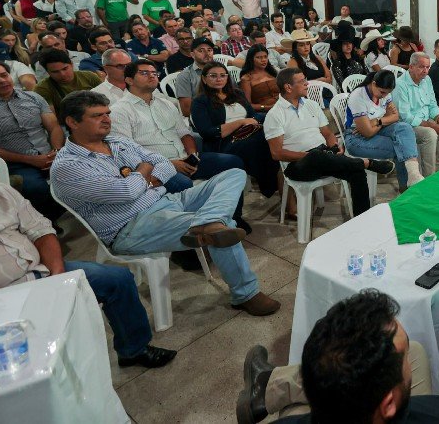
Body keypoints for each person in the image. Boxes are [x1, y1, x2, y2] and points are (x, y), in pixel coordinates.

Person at [50, 90, 280, 316]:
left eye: (107, 113)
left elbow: (164, 163)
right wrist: (144, 171)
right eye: (97, 115)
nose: (107, 119)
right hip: (131, 227)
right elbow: (126, 191)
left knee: (233, 174)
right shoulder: (68, 166)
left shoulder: (117, 141)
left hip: (167, 200)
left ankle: (209, 221)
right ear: (72, 122)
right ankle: (246, 294)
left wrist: (144, 178)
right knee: (225, 226)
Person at [0, 145, 177, 369]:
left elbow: (40, 230)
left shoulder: (2, 193)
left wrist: (56, 273)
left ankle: (134, 350)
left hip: (41, 271)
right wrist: (10, 298)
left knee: (118, 279)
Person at [239, 289, 439, 424]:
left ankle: (268, 386)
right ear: (388, 404)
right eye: (403, 358)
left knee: (411, 349)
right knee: (415, 349)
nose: (407, 360)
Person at [110, 59, 248, 230]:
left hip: (184, 158)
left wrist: (192, 155)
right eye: (144, 73)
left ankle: (232, 217)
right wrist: (170, 164)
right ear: (129, 80)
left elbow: (185, 133)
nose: (152, 76)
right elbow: (127, 153)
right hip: (156, 167)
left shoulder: (166, 104)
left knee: (233, 162)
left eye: (154, 73)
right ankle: (192, 231)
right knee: (182, 183)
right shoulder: (120, 111)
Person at [264, 69, 392, 216]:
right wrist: (307, 155)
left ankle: (362, 218)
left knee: (356, 172)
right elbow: (277, 153)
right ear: (288, 87)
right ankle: (366, 162)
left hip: (323, 155)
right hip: (298, 164)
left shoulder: (311, 105)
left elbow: (328, 133)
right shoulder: (275, 114)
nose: (307, 84)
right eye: (302, 81)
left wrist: (334, 146)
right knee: (316, 155)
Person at [0, 61, 64, 222]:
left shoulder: (33, 97)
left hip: (51, 154)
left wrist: (56, 151)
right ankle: (46, 223)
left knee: (80, 173)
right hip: (16, 162)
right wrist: (30, 159)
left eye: (4, 75)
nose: (2, 81)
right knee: (35, 188)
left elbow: (54, 127)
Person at [191, 62, 280, 199]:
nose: (219, 79)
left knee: (274, 134)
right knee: (258, 142)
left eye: (222, 75)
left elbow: (253, 115)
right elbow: (207, 132)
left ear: (227, 77)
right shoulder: (200, 102)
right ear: (204, 79)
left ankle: (282, 176)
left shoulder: (237, 93)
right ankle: (271, 184)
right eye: (213, 76)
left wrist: (254, 121)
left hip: (249, 131)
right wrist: (240, 122)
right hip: (223, 142)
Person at [342, 70, 424, 190]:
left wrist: (377, 121)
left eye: (388, 93)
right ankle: (407, 189)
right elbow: (367, 133)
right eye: (382, 92)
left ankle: (413, 176)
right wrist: (384, 118)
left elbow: (395, 117)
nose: (385, 96)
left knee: (404, 128)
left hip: (377, 129)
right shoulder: (358, 97)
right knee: (403, 146)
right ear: (374, 84)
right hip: (356, 138)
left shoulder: (385, 92)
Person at [392, 53, 439, 177]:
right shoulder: (400, 84)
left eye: (427, 67)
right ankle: (429, 176)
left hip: (427, 119)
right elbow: (406, 117)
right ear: (411, 67)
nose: (425, 71)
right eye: (421, 67)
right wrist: (434, 126)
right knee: (430, 134)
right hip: (408, 125)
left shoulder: (427, 80)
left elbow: (432, 105)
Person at [34, 48, 102, 122]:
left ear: (72, 64)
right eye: (55, 72)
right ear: (48, 72)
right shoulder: (42, 88)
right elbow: (52, 120)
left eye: (65, 69)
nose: (62, 74)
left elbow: (105, 100)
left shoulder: (90, 77)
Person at [175, 36, 216, 116]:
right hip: (203, 115)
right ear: (192, 54)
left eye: (209, 50)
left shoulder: (221, 71)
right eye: (201, 50)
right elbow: (186, 110)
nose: (207, 53)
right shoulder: (185, 76)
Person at [239, 44, 281, 113]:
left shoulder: (272, 72)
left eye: (265, 57)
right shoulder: (246, 79)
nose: (263, 60)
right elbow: (248, 105)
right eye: (259, 57)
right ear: (251, 59)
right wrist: (266, 107)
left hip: (282, 107)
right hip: (264, 112)